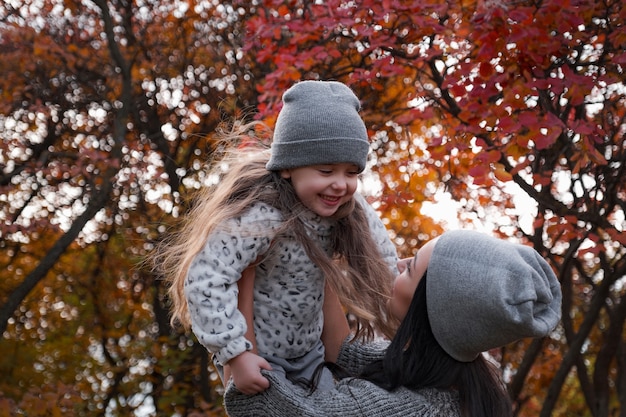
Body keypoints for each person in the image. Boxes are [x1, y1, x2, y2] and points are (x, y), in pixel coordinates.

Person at [154, 80, 399, 395]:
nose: (341, 184)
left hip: (311, 352)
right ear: (288, 168)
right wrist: (236, 353)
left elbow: (384, 262)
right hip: (257, 354)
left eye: (351, 173)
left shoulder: (349, 209)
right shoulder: (263, 214)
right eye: (327, 171)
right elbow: (207, 278)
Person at [224, 230, 562, 417]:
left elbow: (263, 405)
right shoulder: (463, 378)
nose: (399, 263)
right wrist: (319, 264)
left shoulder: (410, 411)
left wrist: (246, 274)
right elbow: (343, 350)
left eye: (411, 268)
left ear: (428, 311)